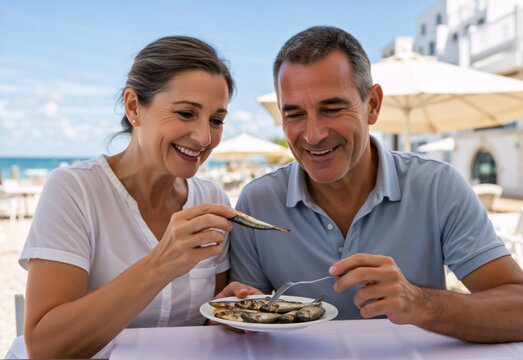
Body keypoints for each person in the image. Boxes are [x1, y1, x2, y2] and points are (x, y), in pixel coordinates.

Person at [228, 26, 523, 342]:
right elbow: (246, 326)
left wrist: (421, 303)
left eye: (332, 109)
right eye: (295, 114)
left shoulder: (437, 187)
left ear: (373, 105)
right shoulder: (256, 202)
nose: (312, 135)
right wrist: (236, 313)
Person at [14, 35, 251, 359]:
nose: (204, 137)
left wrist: (229, 313)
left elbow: (204, 333)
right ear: (133, 107)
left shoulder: (211, 197)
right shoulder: (74, 191)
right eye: (185, 113)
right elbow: (45, 347)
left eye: (216, 120)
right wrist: (159, 266)